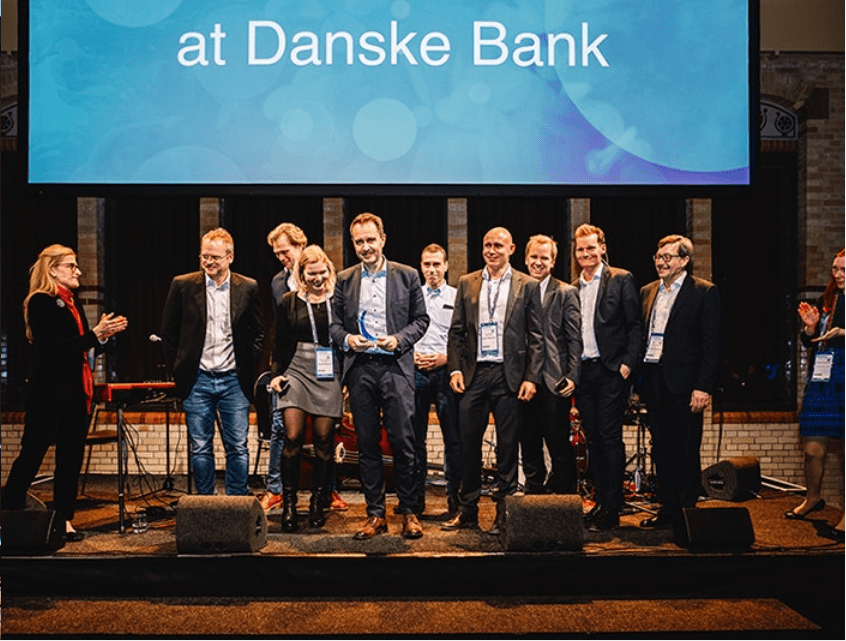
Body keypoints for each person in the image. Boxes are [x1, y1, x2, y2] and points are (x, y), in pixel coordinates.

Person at [1, 245, 128, 541]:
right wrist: (93, 335)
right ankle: (8, 513)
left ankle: (64, 520)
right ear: (53, 270)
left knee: (70, 460)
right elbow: (54, 350)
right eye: (71, 265)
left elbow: (78, 348)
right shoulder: (41, 302)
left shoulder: (72, 302)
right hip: (48, 394)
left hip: (75, 393)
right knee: (32, 454)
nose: (78, 271)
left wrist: (101, 338)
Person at [329, 213, 430, 540]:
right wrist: (347, 339)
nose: (365, 247)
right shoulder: (344, 279)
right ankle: (375, 515)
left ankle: (409, 511)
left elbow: (421, 320)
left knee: (403, 442)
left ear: (383, 239)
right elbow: (334, 326)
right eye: (359, 241)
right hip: (360, 369)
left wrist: (399, 340)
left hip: (396, 368)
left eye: (370, 240)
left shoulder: (407, 275)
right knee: (367, 444)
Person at [443, 227, 543, 535]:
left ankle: (504, 514)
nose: (491, 250)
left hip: (508, 376)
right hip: (474, 375)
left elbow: (536, 337)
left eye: (498, 245)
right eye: (487, 245)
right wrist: (455, 370)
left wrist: (531, 377)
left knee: (507, 447)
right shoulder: (467, 282)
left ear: (511, 248)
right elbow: (456, 332)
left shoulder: (527, 285)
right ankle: (468, 511)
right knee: (468, 445)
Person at [160, 228, 264, 496]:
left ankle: (237, 503)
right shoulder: (183, 285)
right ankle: (205, 505)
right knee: (200, 447)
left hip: (233, 380)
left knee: (238, 446)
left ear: (230, 257)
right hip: (198, 379)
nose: (208, 262)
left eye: (215, 257)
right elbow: (168, 333)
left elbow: (258, 333)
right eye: (204, 256)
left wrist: (248, 366)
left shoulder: (248, 287)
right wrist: (178, 369)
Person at [638, 235, 721, 529]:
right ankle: (668, 510)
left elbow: (712, 345)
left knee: (685, 450)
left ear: (684, 260)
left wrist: (703, 387)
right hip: (654, 381)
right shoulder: (648, 291)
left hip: (686, 386)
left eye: (668, 257)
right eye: (658, 257)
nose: (661, 262)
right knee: (661, 449)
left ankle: (687, 515)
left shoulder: (703, 292)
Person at [572, 224, 642, 531]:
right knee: (594, 440)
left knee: (610, 437)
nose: (586, 254)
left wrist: (628, 363)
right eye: (580, 249)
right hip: (584, 373)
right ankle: (600, 503)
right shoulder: (573, 287)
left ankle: (612, 508)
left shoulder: (621, 279)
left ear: (602, 247)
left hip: (612, 371)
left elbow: (635, 325)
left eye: (591, 248)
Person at [269, 246, 343, 531]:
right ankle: (289, 504)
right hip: (296, 369)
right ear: (302, 275)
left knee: (324, 440)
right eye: (311, 274)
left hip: (329, 370)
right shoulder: (290, 301)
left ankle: (317, 502)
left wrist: (347, 378)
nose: (318, 278)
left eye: (322, 272)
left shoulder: (339, 299)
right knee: (293, 436)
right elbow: (280, 342)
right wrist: (276, 374)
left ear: (329, 270)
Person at [785, 248, 844, 540]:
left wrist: (843, 334)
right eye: (835, 269)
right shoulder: (829, 299)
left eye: (843, 269)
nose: (838, 274)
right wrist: (809, 329)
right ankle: (813, 498)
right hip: (822, 379)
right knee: (813, 449)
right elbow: (810, 341)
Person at [521, 235, 583, 496]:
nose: (538, 262)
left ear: (553, 262)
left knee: (558, 443)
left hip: (553, 379)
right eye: (534, 257)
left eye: (544, 258)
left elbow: (574, 338)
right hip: (523, 380)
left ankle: (566, 499)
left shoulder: (566, 292)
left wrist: (573, 375)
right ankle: (534, 494)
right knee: (529, 441)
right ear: (526, 259)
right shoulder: (517, 290)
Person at [259, 222, 308, 512]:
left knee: (325, 429)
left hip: (318, 359)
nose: (281, 257)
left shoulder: (320, 272)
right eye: (277, 253)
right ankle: (275, 489)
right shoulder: (278, 282)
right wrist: (277, 367)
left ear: (300, 245)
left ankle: (327, 490)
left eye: (285, 251)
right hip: (288, 361)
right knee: (280, 427)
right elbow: (279, 328)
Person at [412, 244, 461, 516]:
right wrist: (411, 357)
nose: (432, 269)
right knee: (415, 440)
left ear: (446, 266)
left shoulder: (456, 296)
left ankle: (454, 501)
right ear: (421, 266)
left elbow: (462, 337)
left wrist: (446, 359)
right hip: (416, 372)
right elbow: (404, 332)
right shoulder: (413, 297)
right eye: (427, 264)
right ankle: (415, 501)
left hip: (445, 372)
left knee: (453, 439)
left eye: (436, 264)